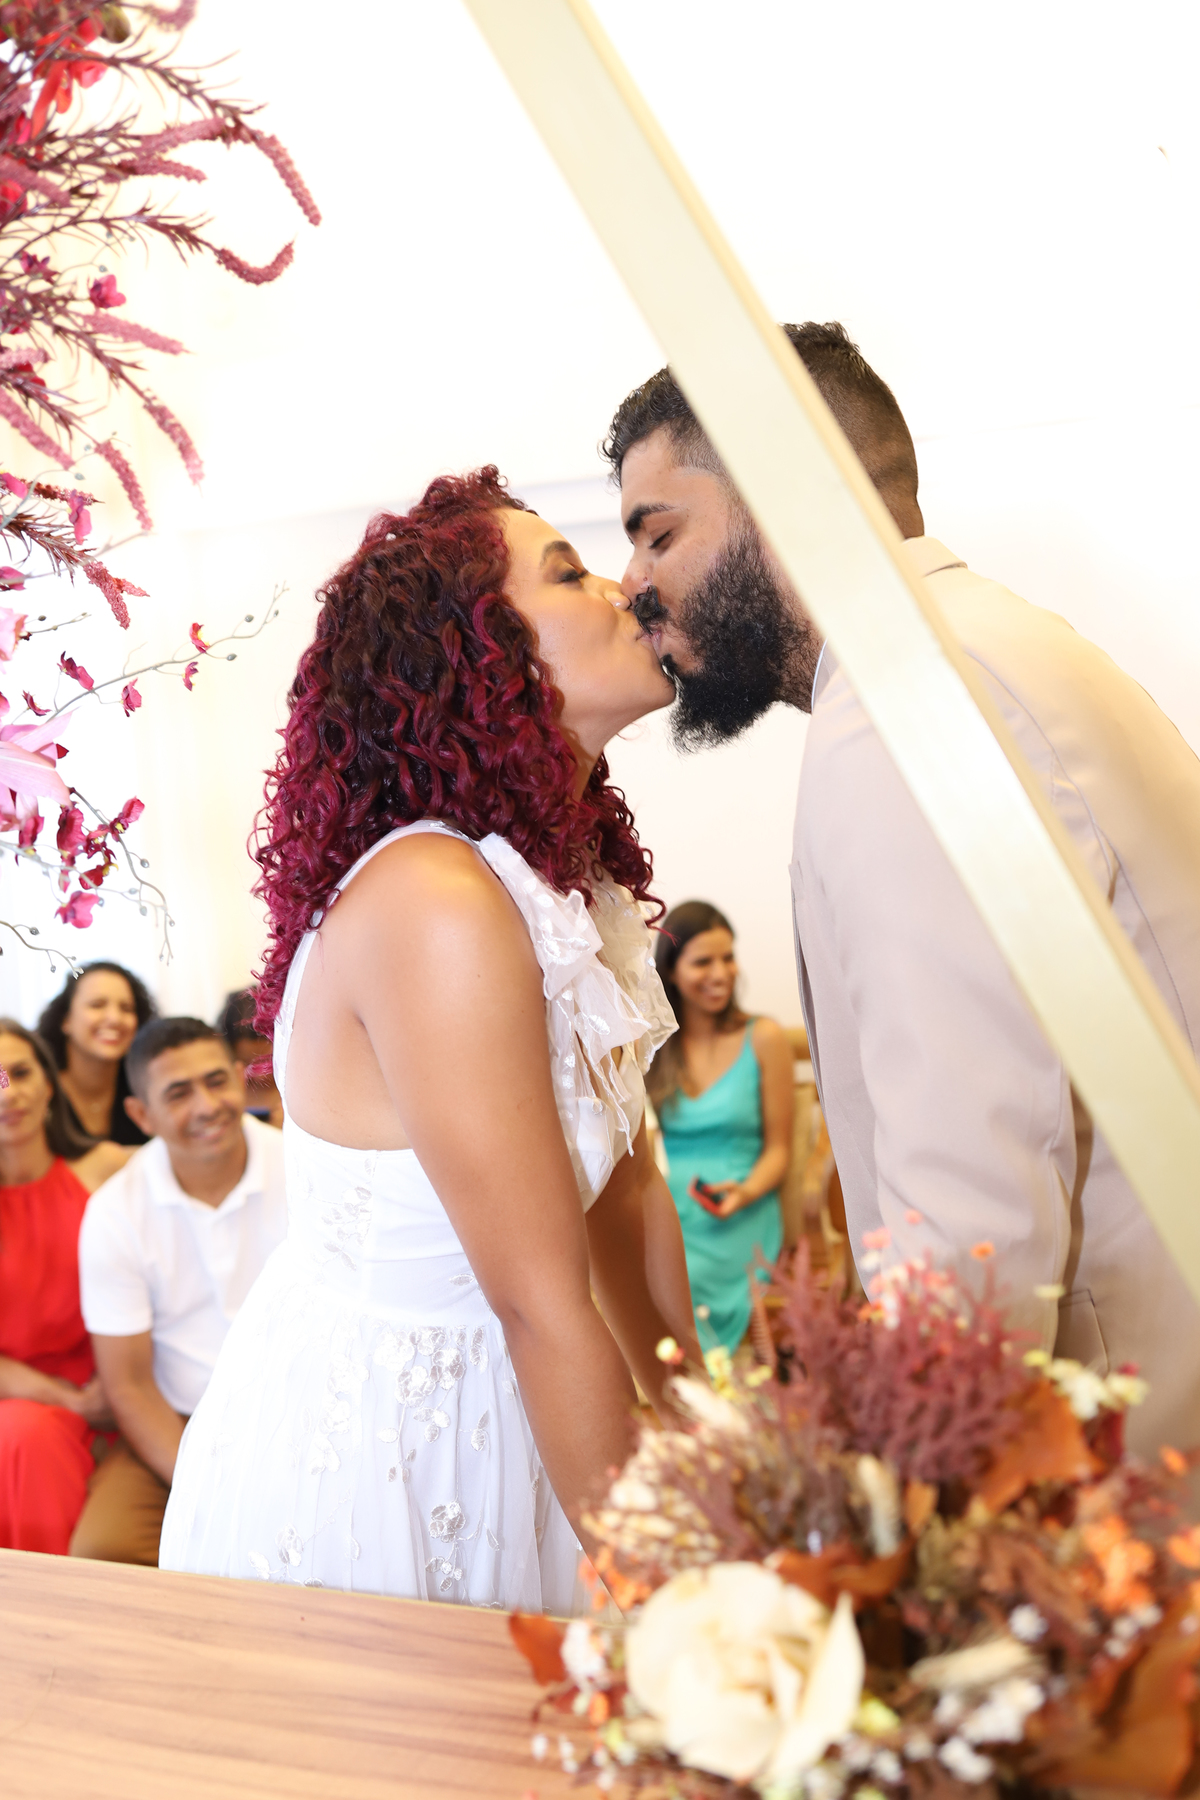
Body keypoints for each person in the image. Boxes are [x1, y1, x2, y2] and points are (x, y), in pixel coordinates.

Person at [605, 321, 1200, 1466]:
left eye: (659, 532)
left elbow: (971, 1222)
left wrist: (914, 1511)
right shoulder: (986, 647)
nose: (634, 583)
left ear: (790, 495)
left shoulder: (900, 715)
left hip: (1120, 1443)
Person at [159, 468, 701, 1612]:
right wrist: (683, 1606)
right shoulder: (436, 900)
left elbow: (625, 1199)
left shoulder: (561, 889)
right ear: (478, 654)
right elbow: (539, 1301)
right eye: (570, 573)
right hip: (394, 1451)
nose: (622, 588)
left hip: (532, 1394)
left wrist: (701, 1432)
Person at [74, 1017, 287, 1565]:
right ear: (141, 1115)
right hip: (179, 1426)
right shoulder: (115, 1212)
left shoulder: (301, 1167)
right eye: (178, 1093)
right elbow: (129, 1385)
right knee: (104, 1552)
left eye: (216, 1081)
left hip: (298, 1414)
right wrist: (208, 1484)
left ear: (239, 1077)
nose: (207, 1106)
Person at [0, 1021, 129, 1554]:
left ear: (49, 1083)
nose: (8, 1092)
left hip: (119, 1383)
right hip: (22, 1395)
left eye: (21, 1072)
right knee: (23, 1436)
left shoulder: (107, 1168)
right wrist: (67, 1400)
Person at [648, 902, 792, 1357]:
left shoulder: (764, 1038)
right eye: (703, 962)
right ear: (671, 973)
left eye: (728, 958)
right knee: (651, 1275)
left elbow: (779, 1151)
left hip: (742, 1210)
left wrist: (745, 1193)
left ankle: (706, 1381)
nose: (721, 973)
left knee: (684, 1285)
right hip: (671, 1215)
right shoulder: (654, 1049)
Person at [38, 962, 156, 1147]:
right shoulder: (38, 1090)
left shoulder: (147, 1089)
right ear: (66, 1019)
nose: (114, 1018)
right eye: (97, 1005)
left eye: (126, 1008)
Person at [217, 988, 284, 1128]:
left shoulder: (302, 1085)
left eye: (268, 1062)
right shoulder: (223, 1095)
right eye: (247, 1064)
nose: (261, 1076)